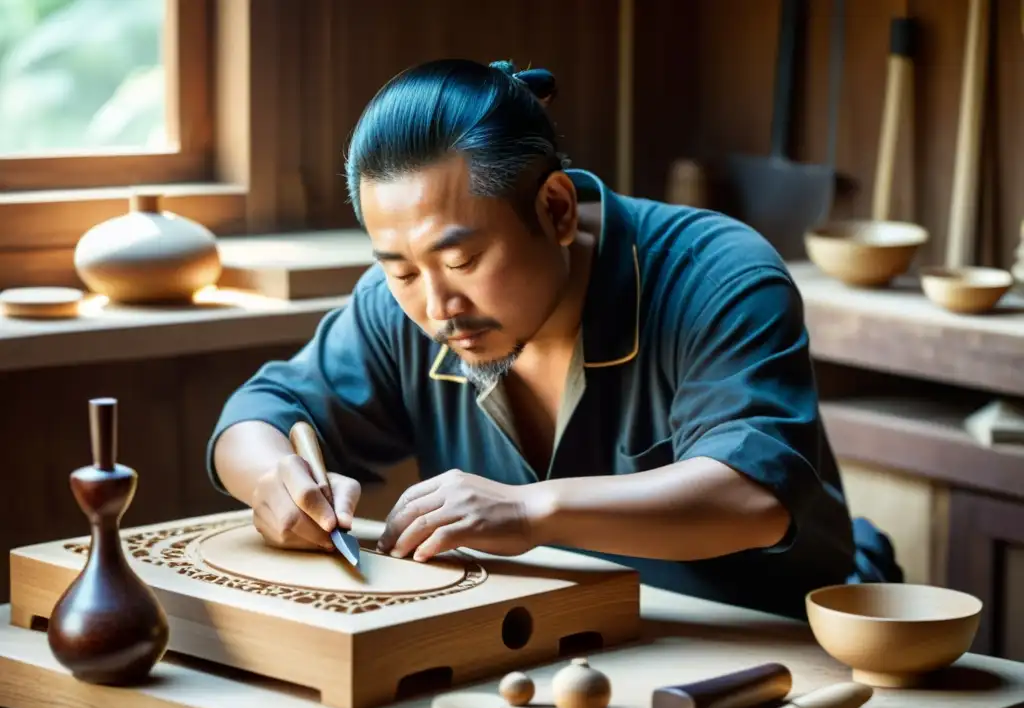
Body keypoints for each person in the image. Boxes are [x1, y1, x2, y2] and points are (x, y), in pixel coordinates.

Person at [207, 58, 901, 621]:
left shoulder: (716, 274)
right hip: (562, 642)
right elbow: (260, 412)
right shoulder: (400, 309)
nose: (439, 306)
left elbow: (755, 498)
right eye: (401, 270)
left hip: (781, 635)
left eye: (463, 262)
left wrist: (530, 509)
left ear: (557, 209)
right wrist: (275, 479)